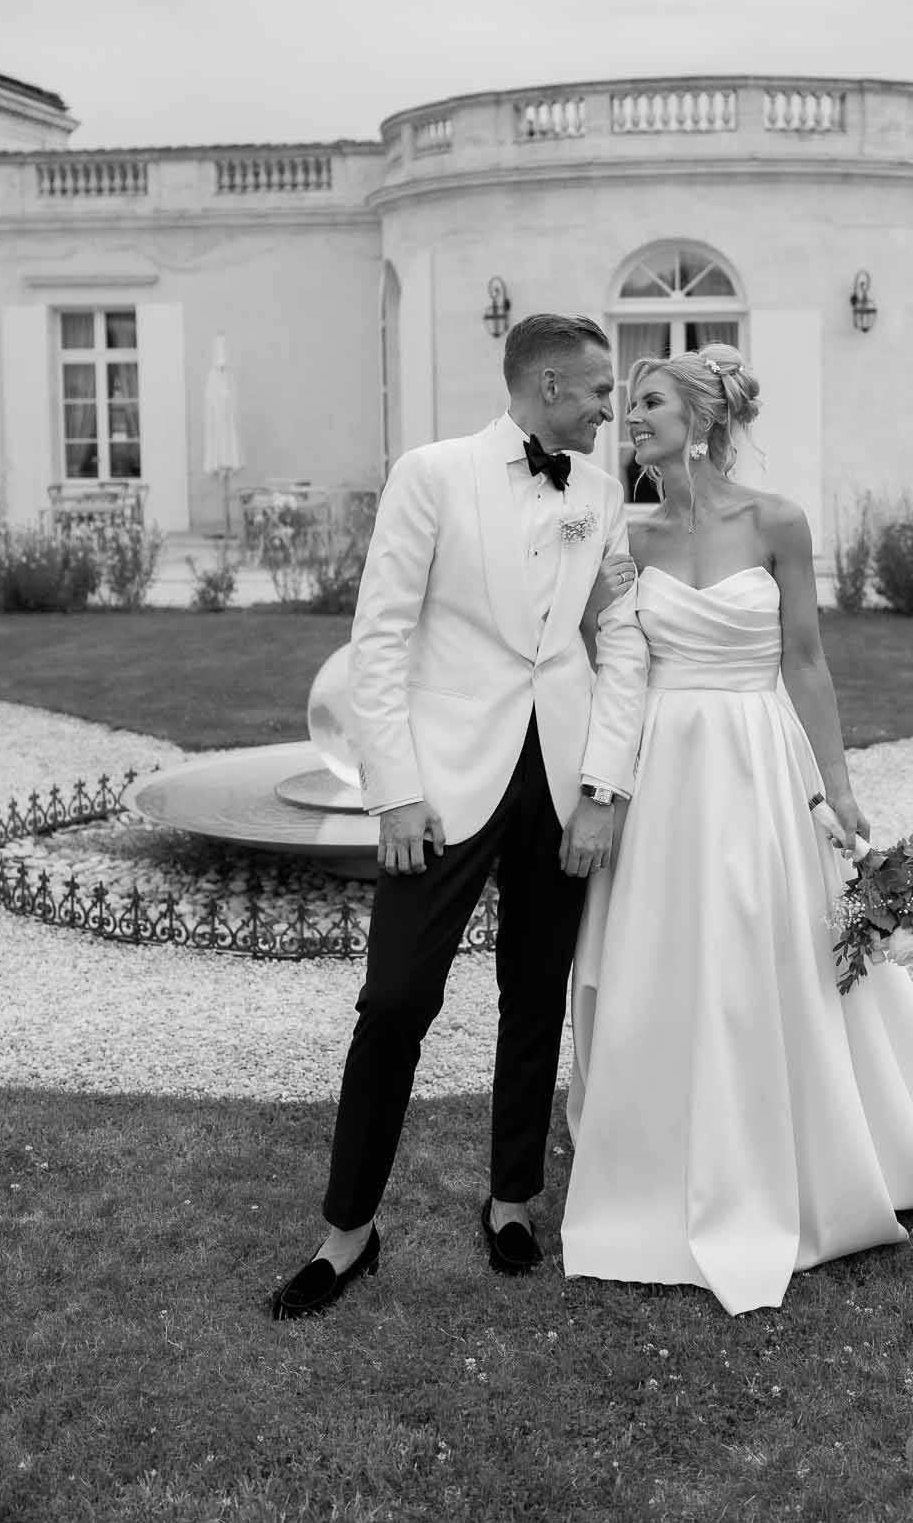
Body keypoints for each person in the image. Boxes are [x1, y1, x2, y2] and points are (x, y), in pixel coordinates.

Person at [562, 342, 913, 1316]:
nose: (630, 419)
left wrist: (840, 790)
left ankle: (781, 1135)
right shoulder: (629, 537)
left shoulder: (778, 521)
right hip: (668, 766)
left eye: (647, 403)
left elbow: (805, 661)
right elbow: (617, 672)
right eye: (627, 405)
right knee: (667, 948)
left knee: (764, 939)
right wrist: (601, 788)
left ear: (703, 417)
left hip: (757, 760)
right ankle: (657, 1141)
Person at [272, 314, 648, 1319]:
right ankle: (347, 1231)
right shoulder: (431, 473)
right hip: (440, 783)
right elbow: (380, 638)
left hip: (560, 779)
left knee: (536, 992)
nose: (612, 407)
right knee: (394, 999)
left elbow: (624, 650)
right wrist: (393, 788)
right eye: (600, 389)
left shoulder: (604, 494)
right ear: (550, 382)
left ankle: (512, 1198)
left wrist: (604, 788)